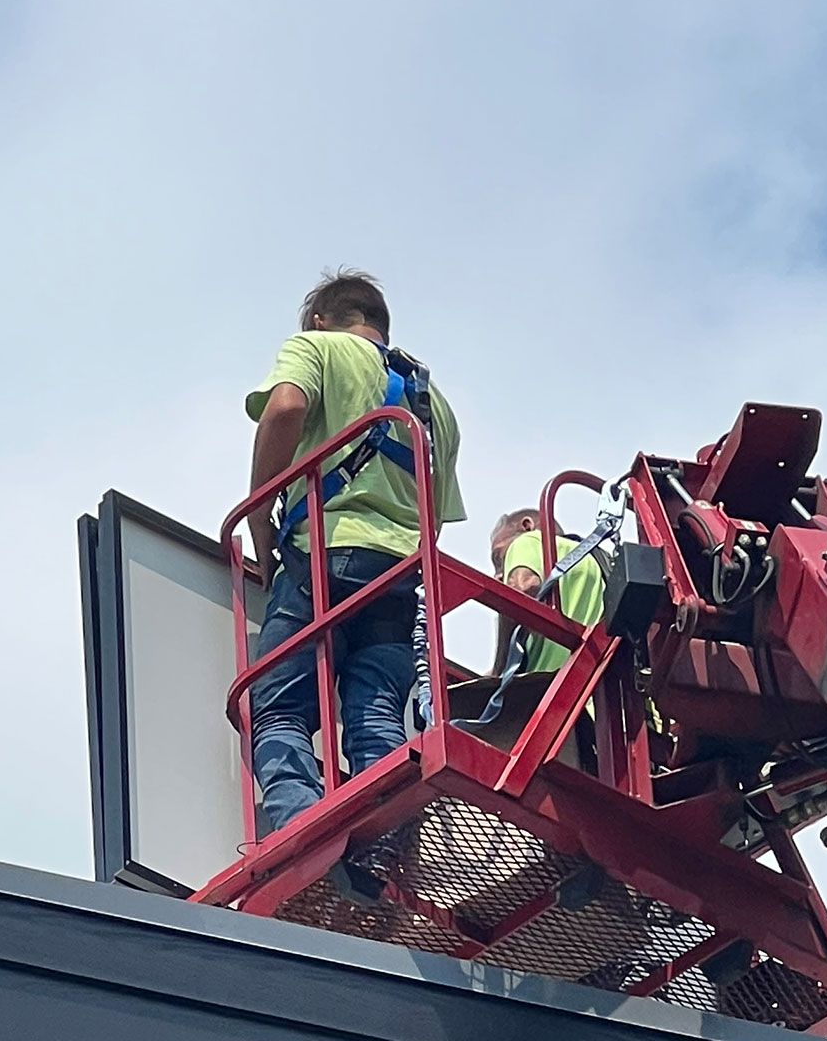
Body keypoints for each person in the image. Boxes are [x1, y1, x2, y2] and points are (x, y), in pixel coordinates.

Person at [243, 271, 464, 834]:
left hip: (324, 553)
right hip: (398, 575)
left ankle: (301, 829)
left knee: (281, 707)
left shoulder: (317, 347)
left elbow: (286, 408)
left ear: (322, 319)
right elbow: (434, 519)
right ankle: (389, 836)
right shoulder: (435, 404)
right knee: (375, 708)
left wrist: (258, 509)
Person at [489, 506, 604, 678]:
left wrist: (498, 670)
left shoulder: (528, 540)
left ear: (527, 526)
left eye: (498, 557)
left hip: (551, 690)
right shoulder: (593, 561)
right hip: (593, 687)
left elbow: (523, 589)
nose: (498, 574)